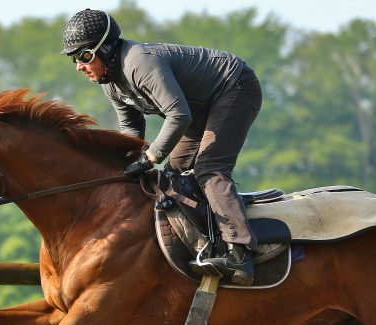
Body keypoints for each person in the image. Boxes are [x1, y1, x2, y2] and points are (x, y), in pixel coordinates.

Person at [61, 8, 261, 286]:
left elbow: (178, 115)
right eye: (74, 58)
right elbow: (131, 130)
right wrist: (123, 165)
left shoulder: (138, 64)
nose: (79, 66)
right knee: (173, 174)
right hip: (201, 106)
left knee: (209, 168)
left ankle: (240, 253)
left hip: (234, 87)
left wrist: (150, 156)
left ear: (105, 50)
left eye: (84, 56)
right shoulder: (109, 81)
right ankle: (206, 242)